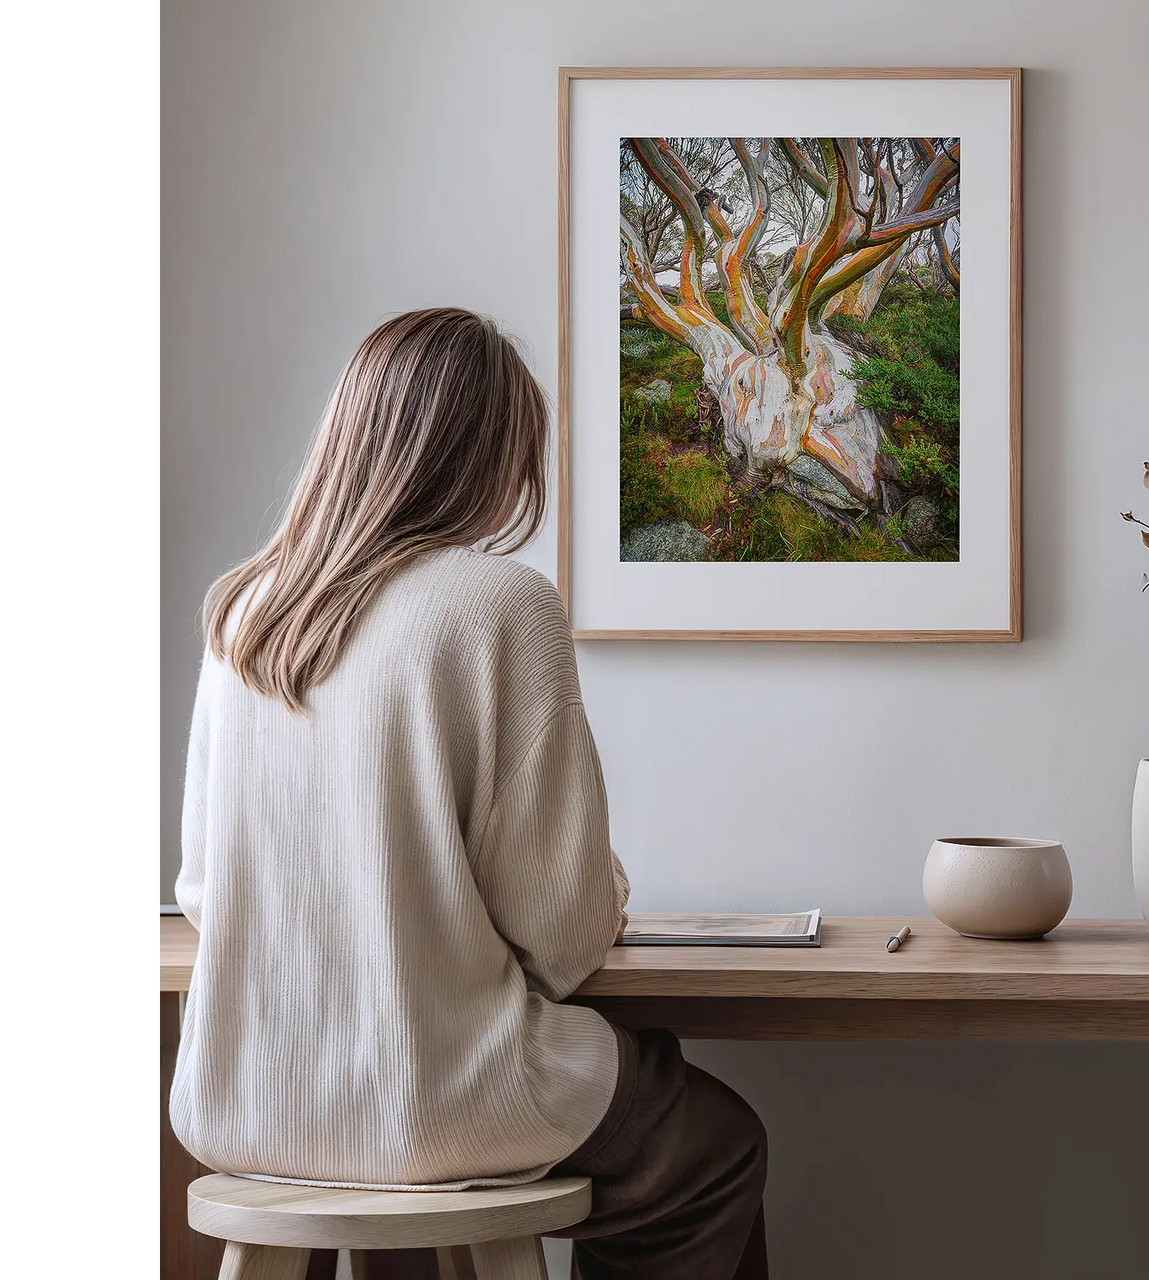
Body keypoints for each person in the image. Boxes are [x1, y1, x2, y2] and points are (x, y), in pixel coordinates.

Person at [171, 308, 768, 1280]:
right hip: (430, 1106)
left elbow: (202, 891)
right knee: (714, 1148)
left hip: (241, 1102)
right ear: (489, 456)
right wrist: (601, 889)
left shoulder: (243, 609)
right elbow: (564, 939)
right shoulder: (498, 603)